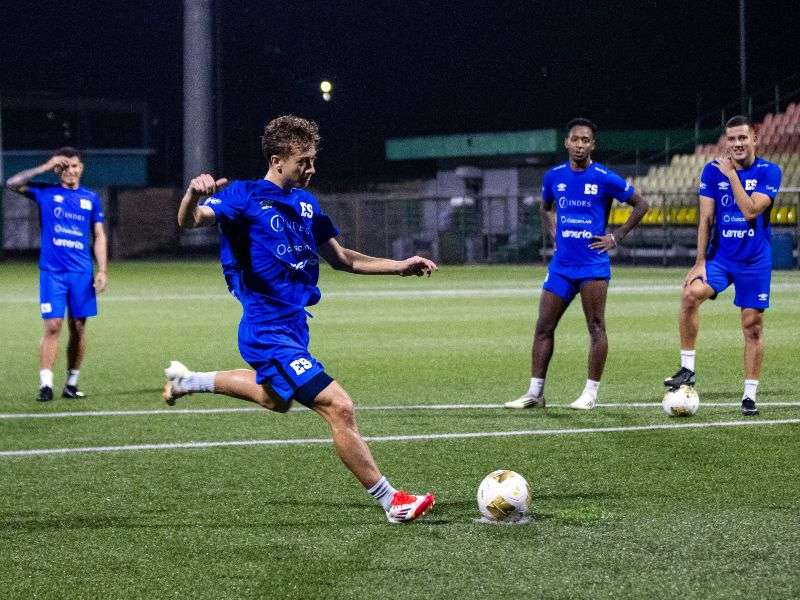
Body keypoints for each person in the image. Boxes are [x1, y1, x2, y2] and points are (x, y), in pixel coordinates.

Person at [164, 115, 437, 523]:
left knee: (274, 399)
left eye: (312, 160)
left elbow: (342, 259)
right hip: (265, 330)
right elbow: (189, 221)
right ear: (277, 161)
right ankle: (392, 501)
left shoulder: (307, 204)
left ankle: (189, 381)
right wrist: (192, 195)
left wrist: (399, 266)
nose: (311, 168)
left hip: (294, 327)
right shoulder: (243, 196)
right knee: (339, 406)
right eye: (303, 161)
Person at [505, 118, 648, 410]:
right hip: (561, 266)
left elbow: (642, 204)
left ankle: (590, 394)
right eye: (575, 139)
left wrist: (616, 236)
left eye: (585, 140)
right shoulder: (553, 176)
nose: (579, 145)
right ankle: (535, 393)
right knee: (543, 327)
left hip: (592, 266)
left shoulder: (604, 177)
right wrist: (553, 232)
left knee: (596, 326)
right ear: (566, 143)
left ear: (592, 145)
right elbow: (545, 207)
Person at [664, 115, 782, 416]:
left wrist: (731, 175)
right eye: (731, 139)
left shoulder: (769, 171)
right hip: (721, 258)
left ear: (754, 138)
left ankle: (749, 395)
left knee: (752, 326)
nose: (737, 143)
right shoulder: (711, 171)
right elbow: (705, 219)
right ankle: (688, 370)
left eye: (743, 137)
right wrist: (699, 261)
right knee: (691, 294)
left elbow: (751, 211)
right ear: (726, 141)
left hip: (754, 261)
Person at [5, 148, 108, 402]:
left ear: (81, 168)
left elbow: (99, 235)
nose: (70, 171)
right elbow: (11, 183)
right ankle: (46, 385)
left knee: (78, 327)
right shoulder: (45, 192)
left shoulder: (90, 198)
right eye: (65, 166)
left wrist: (102, 270)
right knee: (53, 326)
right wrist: (45, 166)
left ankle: (71, 384)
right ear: (57, 170)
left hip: (81, 272)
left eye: (75, 166)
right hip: (53, 272)